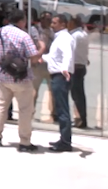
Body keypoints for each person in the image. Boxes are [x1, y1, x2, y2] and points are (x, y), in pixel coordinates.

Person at [0, 9, 42, 152]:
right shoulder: (24, 36)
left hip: (2, 76)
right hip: (21, 78)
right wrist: (42, 49)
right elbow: (33, 57)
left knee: (1, 105)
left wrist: (0, 65)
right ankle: (24, 141)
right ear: (21, 21)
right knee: (25, 109)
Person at [45, 13, 75, 152]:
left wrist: (64, 69)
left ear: (63, 24)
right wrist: (41, 57)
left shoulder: (64, 38)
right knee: (60, 108)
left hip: (61, 76)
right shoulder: (59, 38)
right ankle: (63, 138)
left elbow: (67, 54)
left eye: (54, 23)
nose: (52, 25)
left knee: (62, 110)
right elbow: (53, 57)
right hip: (57, 75)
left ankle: (65, 142)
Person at [69, 14, 91, 129]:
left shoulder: (74, 36)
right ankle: (81, 118)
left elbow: (71, 52)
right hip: (81, 66)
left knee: (76, 95)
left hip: (75, 68)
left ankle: (80, 119)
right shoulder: (84, 34)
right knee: (80, 95)